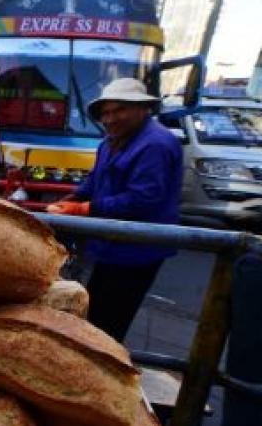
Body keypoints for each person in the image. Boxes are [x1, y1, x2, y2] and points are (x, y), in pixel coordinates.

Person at [47, 78, 183, 342]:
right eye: (106, 113)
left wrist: (84, 209)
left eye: (118, 110)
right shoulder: (110, 142)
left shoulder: (156, 144)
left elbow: (143, 199)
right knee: (93, 312)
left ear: (141, 109)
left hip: (137, 250)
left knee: (109, 323)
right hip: (109, 245)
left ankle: (100, 368)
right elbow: (95, 181)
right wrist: (73, 198)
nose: (110, 119)